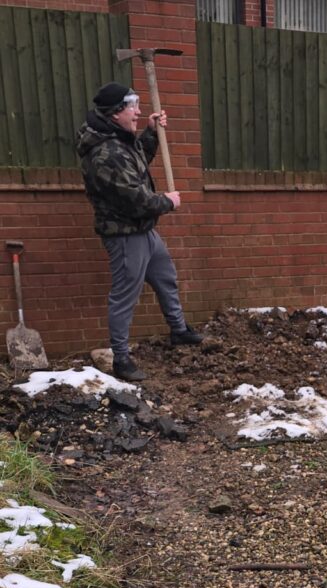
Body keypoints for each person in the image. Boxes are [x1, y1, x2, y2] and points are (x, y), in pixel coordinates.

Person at [76, 82, 201, 382]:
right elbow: (136, 200)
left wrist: (150, 132)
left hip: (144, 231)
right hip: (125, 235)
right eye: (133, 107)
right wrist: (167, 202)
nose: (138, 111)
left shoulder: (119, 138)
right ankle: (121, 359)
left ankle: (179, 330)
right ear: (116, 112)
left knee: (165, 277)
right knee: (125, 297)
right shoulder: (105, 153)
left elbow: (138, 158)